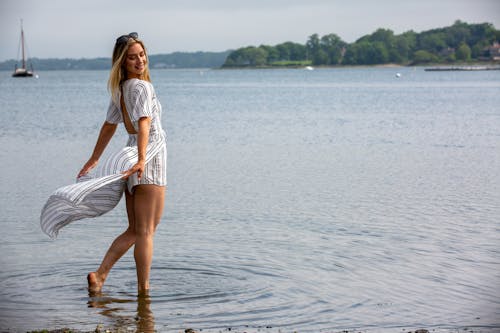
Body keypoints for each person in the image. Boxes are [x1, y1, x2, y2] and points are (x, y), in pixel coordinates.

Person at [76, 32, 167, 294]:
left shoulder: (122, 88)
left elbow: (109, 126)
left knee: (135, 229)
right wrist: (141, 159)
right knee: (147, 231)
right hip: (148, 159)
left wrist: (95, 158)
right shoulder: (142, 87)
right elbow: (144, 124)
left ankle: (100, 275)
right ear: (122, 62)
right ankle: (144, 292)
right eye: (132, 58)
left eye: (141, 54)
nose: (140, 61)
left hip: (131, 159)